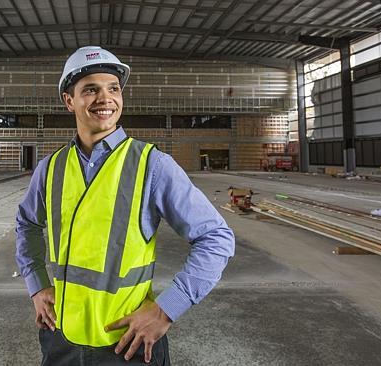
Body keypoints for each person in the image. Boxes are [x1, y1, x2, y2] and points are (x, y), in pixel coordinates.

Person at [15, 46, 235, 365]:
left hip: (128, 346)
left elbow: (216, 239)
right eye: (91, 89)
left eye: (113, 89)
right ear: (69, 100)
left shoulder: (153, 166)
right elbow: (27, 224)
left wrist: (166, 309)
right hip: (60, 339)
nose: (105, 99)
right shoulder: (51, 168)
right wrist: (36, 285)